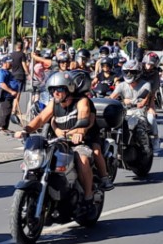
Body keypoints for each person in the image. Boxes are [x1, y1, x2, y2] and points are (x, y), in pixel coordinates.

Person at [14, 71, 104, 219]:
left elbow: (84, 116)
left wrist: (79, 131)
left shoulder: (81, 101)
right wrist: (25, 130)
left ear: (69, 88)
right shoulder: (54, 103)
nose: (56, 93)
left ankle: (88, 198)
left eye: (60, 89)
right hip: (58, 142)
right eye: (52, 90)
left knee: (82, 160)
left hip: (79, 142)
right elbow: (41, 117)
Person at [111, 61, 159, 152]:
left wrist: (128, 101)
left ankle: (151, 143)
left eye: (131, 72)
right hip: (124, 111)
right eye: (126, 72)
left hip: (139, 112)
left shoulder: (146, 85)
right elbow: (112, 97)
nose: (129, 74)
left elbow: (142, 102)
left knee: (146, 124)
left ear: (138, 72)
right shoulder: (121, 85)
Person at [0, 55, 18, 134]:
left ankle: (5, 127)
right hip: (5, 94)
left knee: (7, 110)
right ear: (5, 63)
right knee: (5, 110)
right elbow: (2, 84)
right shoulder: (1, 72)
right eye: (9, 62)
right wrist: (11, 91)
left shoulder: (8, 72)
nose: (11, 64)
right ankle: (1, 128)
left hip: (9, 95)